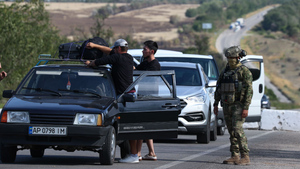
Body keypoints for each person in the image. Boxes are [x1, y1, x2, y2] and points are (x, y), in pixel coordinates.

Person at [85, 39, 138, 163]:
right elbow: (110, 52)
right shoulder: (129, 58)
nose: (113, 50)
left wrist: (90, 63)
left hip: (123, 96)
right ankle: (134, 154)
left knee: (125, 127)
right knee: (128, 127)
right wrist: (95, 46)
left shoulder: (117, 58)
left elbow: (100, 61)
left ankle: (134, 155)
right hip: (130, 94)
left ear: (119, 49)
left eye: (115, 49)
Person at [213, 46, 253, 165]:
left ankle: (245, 156)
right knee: (231, 131)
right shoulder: (225, 72)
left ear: (238, 57)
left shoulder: (244, 72)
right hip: (226, 105)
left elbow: (249, 91)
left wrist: (246, 107)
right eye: (229, 58)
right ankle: (235, 155)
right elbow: (219, 88)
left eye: (232, 58)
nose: (230, 60)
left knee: (237, 129)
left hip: (238, 105)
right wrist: (215, 104)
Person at [135, 40, 160, 161]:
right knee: (146, 125)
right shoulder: (144, 63)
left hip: (150, 98)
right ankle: (151, 152)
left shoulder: (155, 65)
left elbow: (145, 78)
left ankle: (138, 153)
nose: (143, 51)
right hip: (142, 96)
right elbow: (136, 70)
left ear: (152, 51)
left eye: (145, 49)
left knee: (141, 124)